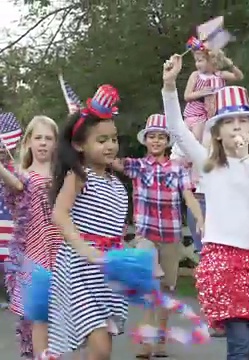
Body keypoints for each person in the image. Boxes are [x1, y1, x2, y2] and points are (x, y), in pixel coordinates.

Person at [162, 54, 249, 360]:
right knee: (239, 343)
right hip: (220, 258)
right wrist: (170, 84)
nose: (237, 127)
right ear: (216, 131)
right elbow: (176, 128)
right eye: (229, 122)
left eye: (243, 121)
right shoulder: (208, 163)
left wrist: (246, 160)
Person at [111, 113, 204, 358]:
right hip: (145, 234)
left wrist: (202, 220)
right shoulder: (137, 166)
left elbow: (188, 197)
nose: (155, 141)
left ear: (166, 142)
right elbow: (111, 160)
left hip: (170, 236)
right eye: (152, 136)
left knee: (165, 290)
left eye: (160, 137)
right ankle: (146, 344)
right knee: (150, 286)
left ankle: (160, 337)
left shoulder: (177, 169)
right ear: (146, 140)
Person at [46, 85, 129, 359]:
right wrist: (82, 247)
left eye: (114, 139)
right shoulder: (79, 176)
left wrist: (135, 249)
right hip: (79, 269)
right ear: (80, 145)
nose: (111, 146)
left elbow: (117, 228)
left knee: (102, 345)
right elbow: (59, 213)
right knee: (100, 345)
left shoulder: (117, 184)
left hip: (107, 270)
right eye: (102, 140)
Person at [0, 115, 62, 358]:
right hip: (33, 251)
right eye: (38, 138)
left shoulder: (63, 175)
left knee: (57, 315)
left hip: (60, 249)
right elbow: (15, 185)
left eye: (49, 138)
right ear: (28, 142)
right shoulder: (23, 176)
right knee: (38, 314)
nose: (43, 143)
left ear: (56, 143)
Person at [183, 36, 244, 143]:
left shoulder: (220, 75)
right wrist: (202, 92)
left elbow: (239, 77)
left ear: (212, 61)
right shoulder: (195, 76)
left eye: (200, 61)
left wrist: (230, 64)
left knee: (210, 141)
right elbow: (187, 96)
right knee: (194, 140)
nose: (197, 64)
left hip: (214, 115)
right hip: (195, 113)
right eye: (196, 61)